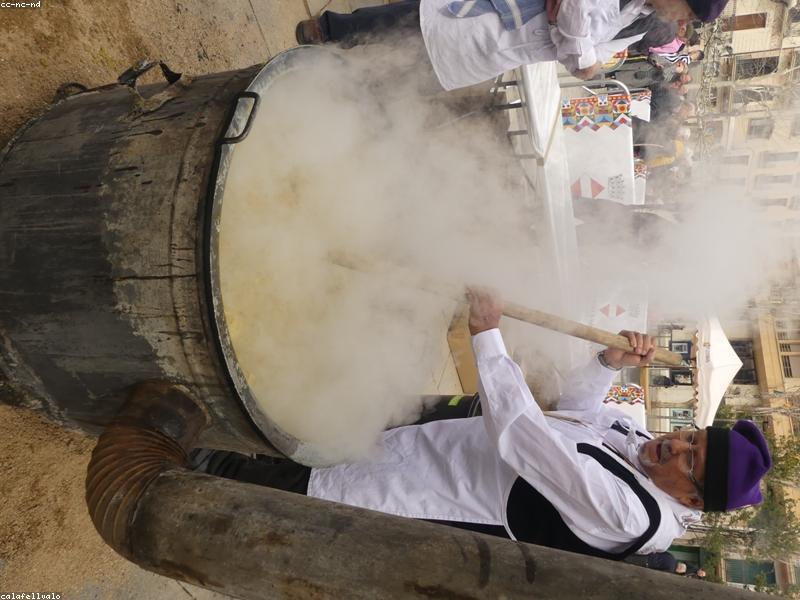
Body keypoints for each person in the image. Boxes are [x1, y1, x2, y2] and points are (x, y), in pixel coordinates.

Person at [195, 288, 773, 561]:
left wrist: (486, 336)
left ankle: (181, 459)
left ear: (691, 500)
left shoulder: (633, 514)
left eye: (689, 460)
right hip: (433, 441)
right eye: (691, 437)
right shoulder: (643, 446)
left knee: (277, 484)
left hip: (421, 495)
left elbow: (527, 439)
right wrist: (607, 362)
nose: (674, 445)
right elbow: (576, 414)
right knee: (308, 432)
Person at [295, 0, 728, 91]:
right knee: (409, 23)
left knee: (416, 71)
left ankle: (333, 80)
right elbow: (575, 15)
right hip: (496, 16)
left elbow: (590, 55)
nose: (681, 22)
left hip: (505, 51)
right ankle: (330, 30)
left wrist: (575, 48)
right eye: (687, 12)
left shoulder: (641, 20)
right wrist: (575, 48)